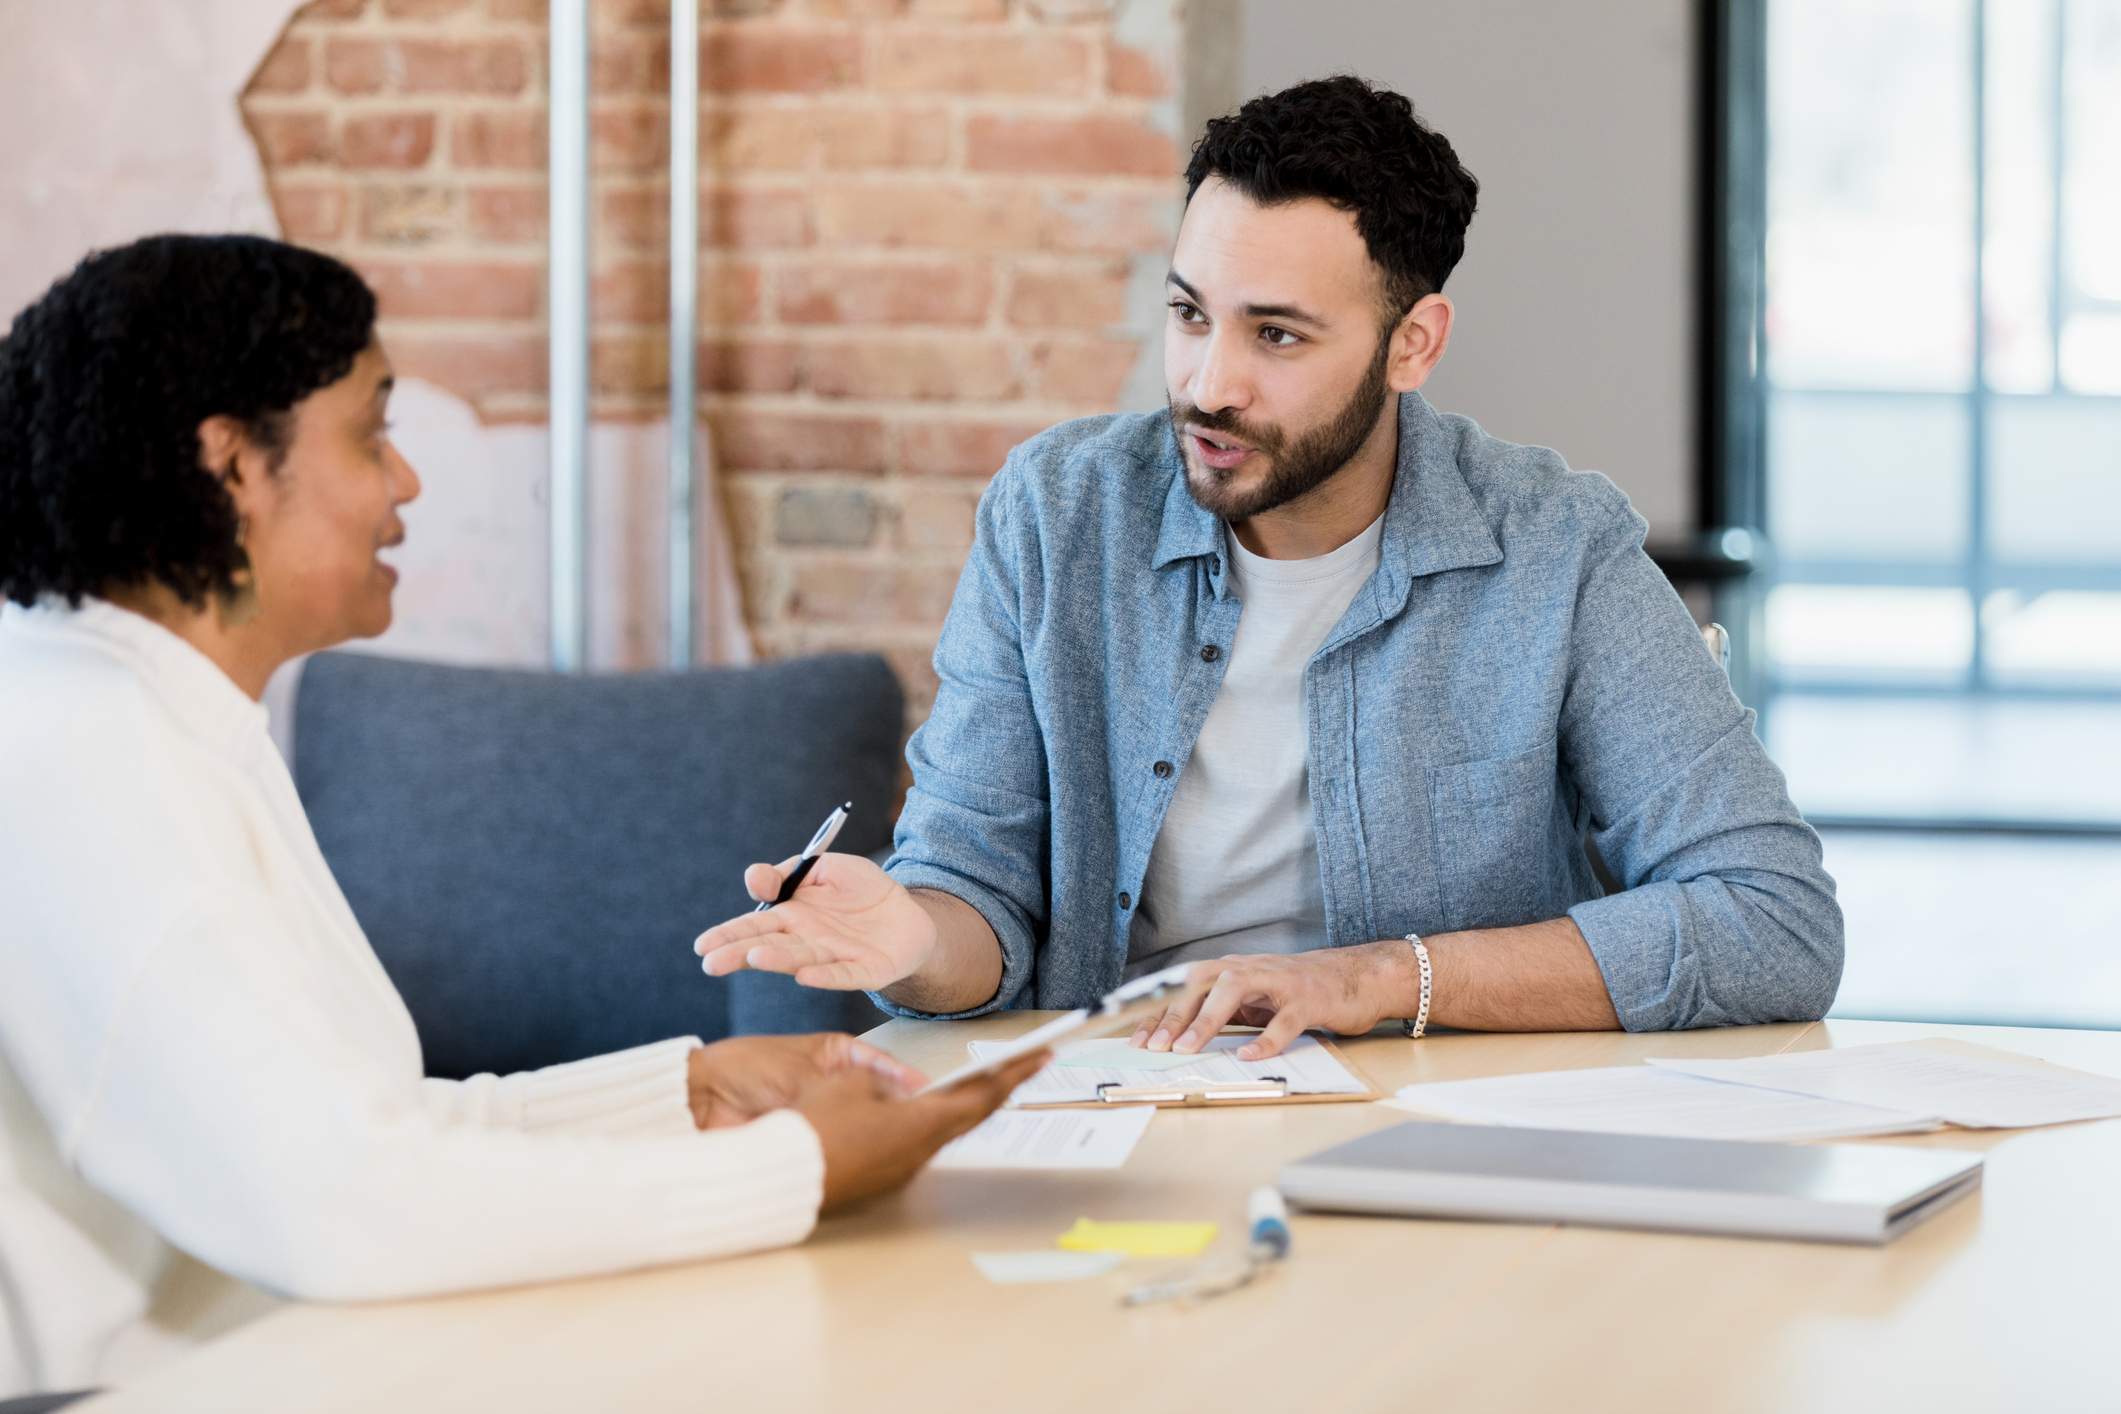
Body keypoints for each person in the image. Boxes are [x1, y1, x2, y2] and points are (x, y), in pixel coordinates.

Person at [0, 234, 1040, 1400]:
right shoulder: (99, 765)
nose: (407, 482)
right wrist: (796, 1171)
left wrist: (685, 1095)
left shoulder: (139, 710)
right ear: (233, 465)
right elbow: (343, 1201)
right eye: (371, 432)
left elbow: (363, 1127)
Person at [695, 76, 1844, 1059]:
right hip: (1121, 1104)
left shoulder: (1559, 549)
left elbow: (1774, 920)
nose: (1210, 383)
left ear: (1414, 343)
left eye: (1276, 335)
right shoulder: (1054, 515)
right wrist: (913, 936)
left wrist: (1376, 978)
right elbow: (976, 898)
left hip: (1433, 1119)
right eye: (1191, 314)